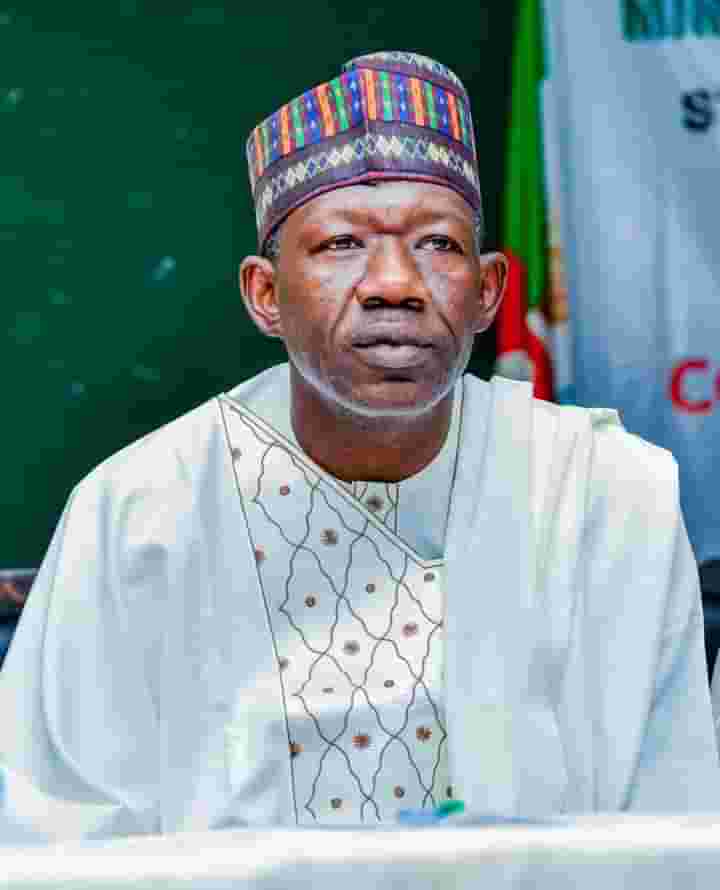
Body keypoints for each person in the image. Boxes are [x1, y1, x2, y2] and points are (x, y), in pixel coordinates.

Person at [1, 51, 718, 843]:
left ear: (487, 291)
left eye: (437, 244)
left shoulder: (605, 495)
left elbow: (676, 826)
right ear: (265, 294)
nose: (394, 283)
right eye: (342, 244)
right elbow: (57, 837)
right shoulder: (138, 513)